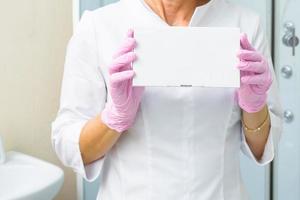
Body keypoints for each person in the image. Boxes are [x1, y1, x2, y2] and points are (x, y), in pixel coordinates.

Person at [51, 0, 283, 199]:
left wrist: (254, 106)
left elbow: (263, 146)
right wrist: (114, 117)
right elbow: (70, 145)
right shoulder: (99, 27)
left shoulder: (245, 25)